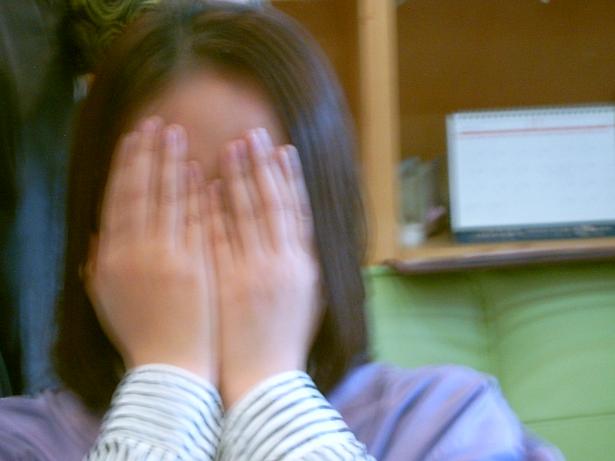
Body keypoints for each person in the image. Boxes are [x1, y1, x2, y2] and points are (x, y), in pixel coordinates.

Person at [0, 1, 563, 460]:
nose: (212, 251)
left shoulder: (449, 420)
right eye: (169, 207)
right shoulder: (19, 441)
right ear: (93, 249)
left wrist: (268, 388)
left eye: (256, 203)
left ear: (328, 233)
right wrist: (166, 387)